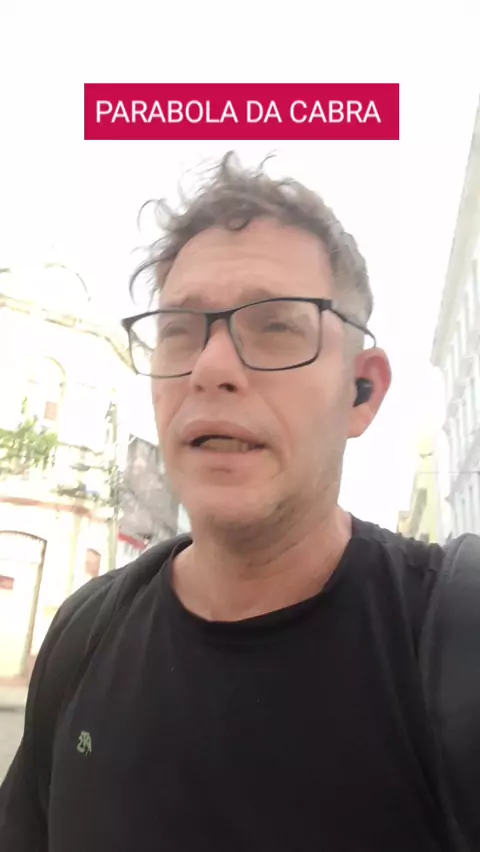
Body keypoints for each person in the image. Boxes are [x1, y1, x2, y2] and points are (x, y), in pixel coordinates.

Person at [0, 153, 465, 852]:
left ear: (361, 391)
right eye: (179, 330)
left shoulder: (455, 635)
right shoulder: (84, 635)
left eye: (275, 326)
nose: (211, 368)